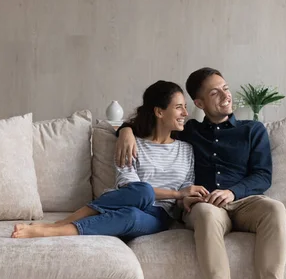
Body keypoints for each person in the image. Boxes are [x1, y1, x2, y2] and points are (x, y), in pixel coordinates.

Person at [116, 68, 286, 279]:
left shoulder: (252, 130)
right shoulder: (189, 131)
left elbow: (262, 176)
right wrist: (124, 131)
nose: (225, 96)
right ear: (199, 103)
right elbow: (151, 121)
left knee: (275, 209)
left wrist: (233, 192)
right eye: (214, 92)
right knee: (207, 214)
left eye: (226, 88)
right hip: (205, 205)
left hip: (244, 201)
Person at [11, 80, 208, 241]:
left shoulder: (186, 150)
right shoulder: (130, 144)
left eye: (185, 107)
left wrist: (187, 199)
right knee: (144, 190)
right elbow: (128, 185)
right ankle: (60, 224)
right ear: (159, 112)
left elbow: (185, 191)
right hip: (127, 200)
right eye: (179, 107)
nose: (185, 113)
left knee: (131, 216)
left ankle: (54, 230)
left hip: (158, 215)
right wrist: (177, 193)